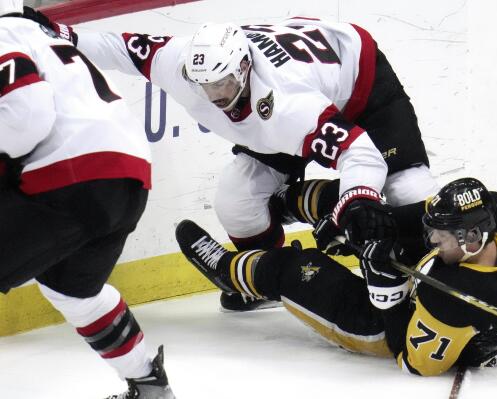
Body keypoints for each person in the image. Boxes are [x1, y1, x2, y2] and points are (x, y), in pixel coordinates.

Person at [22, 9, 439, 311]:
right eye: (204, 85)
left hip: (359, 76)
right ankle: (259, 278)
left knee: (408, 191)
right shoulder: (181, 63)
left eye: (222, 83)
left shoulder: (287, 102)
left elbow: (358, 150)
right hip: (290, 95)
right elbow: (118, 48)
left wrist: (361, 200)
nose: (214, 97)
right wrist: (58, 34)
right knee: (236, 199)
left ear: (243, 68)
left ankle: (434, 279)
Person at [175, 177, 497, 375]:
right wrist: (356, 226)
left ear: (470, 238)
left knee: (296, 270)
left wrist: (383, 282)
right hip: (448, 297)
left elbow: (410, 359)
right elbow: (410, 220)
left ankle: (229, 274)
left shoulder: (453, 300)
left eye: (438, 238)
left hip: (393, 325)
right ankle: (284, 200)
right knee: (364, 208)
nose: (430, 241)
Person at [0, 2, 175, 398]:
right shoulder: (45, 38)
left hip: (70, 178)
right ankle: (149, 385)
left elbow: (25, 118)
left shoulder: (3, 35)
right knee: (73, 291)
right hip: (127, 183)